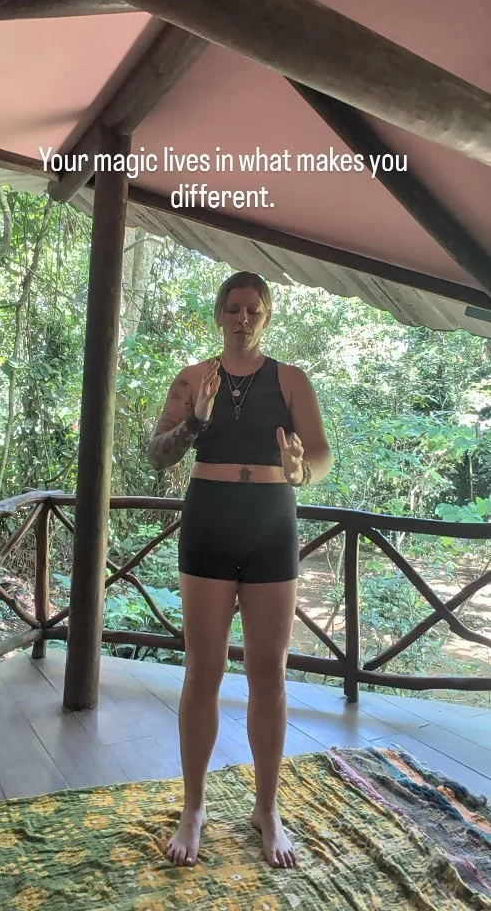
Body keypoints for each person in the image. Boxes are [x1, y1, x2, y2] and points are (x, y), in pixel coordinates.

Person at [147, 271, 333, 870]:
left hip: (271, 524)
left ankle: (266, 809)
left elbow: (320, 455)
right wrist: (195, 422)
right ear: (219, 314)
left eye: (254, 309)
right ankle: (194, 807)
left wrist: (301, 470)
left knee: (268, 674)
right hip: (209, 519)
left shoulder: (291, 379)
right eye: (233, 308)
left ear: (267, 316)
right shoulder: (193, 378)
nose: (242, 318)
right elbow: (157, 454)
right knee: (202, 669)